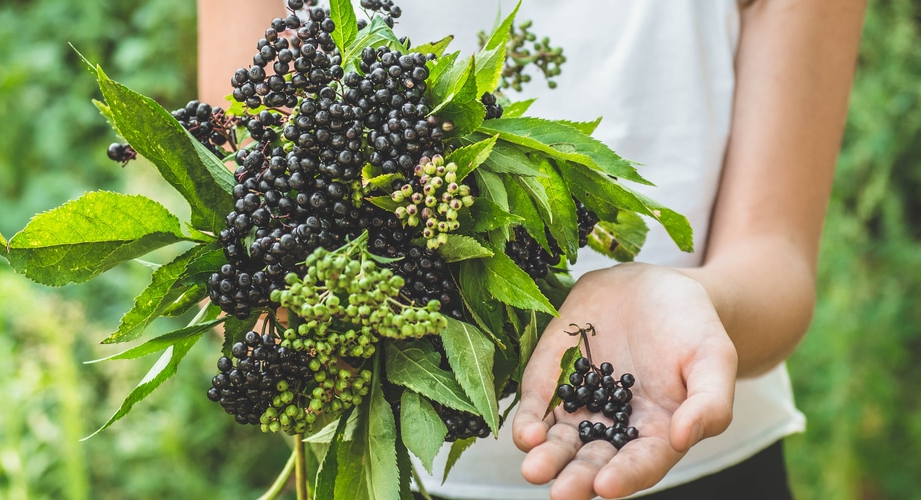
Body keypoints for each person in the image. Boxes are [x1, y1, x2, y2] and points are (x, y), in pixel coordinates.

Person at [197, 0, 866, 498]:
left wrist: (691, 303)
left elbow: (774, 260)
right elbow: (247, 225)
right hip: (395, 477)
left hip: (695, 459)